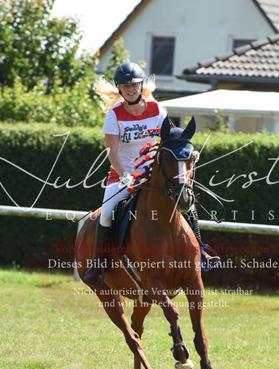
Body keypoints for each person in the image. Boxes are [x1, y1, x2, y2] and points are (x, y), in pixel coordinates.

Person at [82, 61, 220, 287]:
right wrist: (125, 175)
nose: (130, 89)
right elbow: (112, 152)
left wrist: (188, 152)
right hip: (122, 175)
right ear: (120, 89)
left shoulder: (156, 109)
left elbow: (172, 138)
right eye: (125, 86)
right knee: (106, 213)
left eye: (134, 85)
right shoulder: (114, 115)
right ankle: (97, 263)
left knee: (188, 205)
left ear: (141, 86)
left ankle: (201, 252)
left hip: (153, 175)